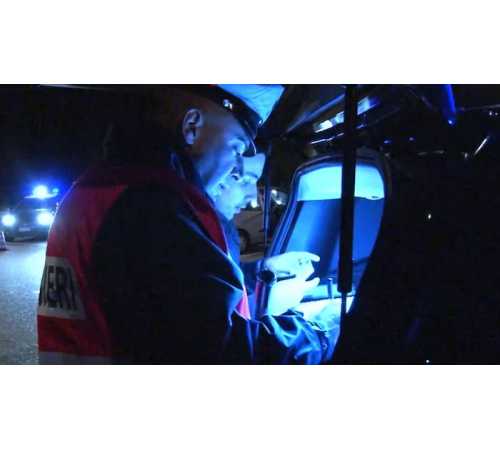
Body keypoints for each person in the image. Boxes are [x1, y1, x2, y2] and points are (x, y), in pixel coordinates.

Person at [37, 85, 339, 364]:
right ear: (192, 126)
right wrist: (320, 330)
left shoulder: (106, 188)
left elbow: (173, 295)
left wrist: (260, 272)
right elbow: (224, 353)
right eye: (236, 149)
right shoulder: (151, 205)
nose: (235, 166)